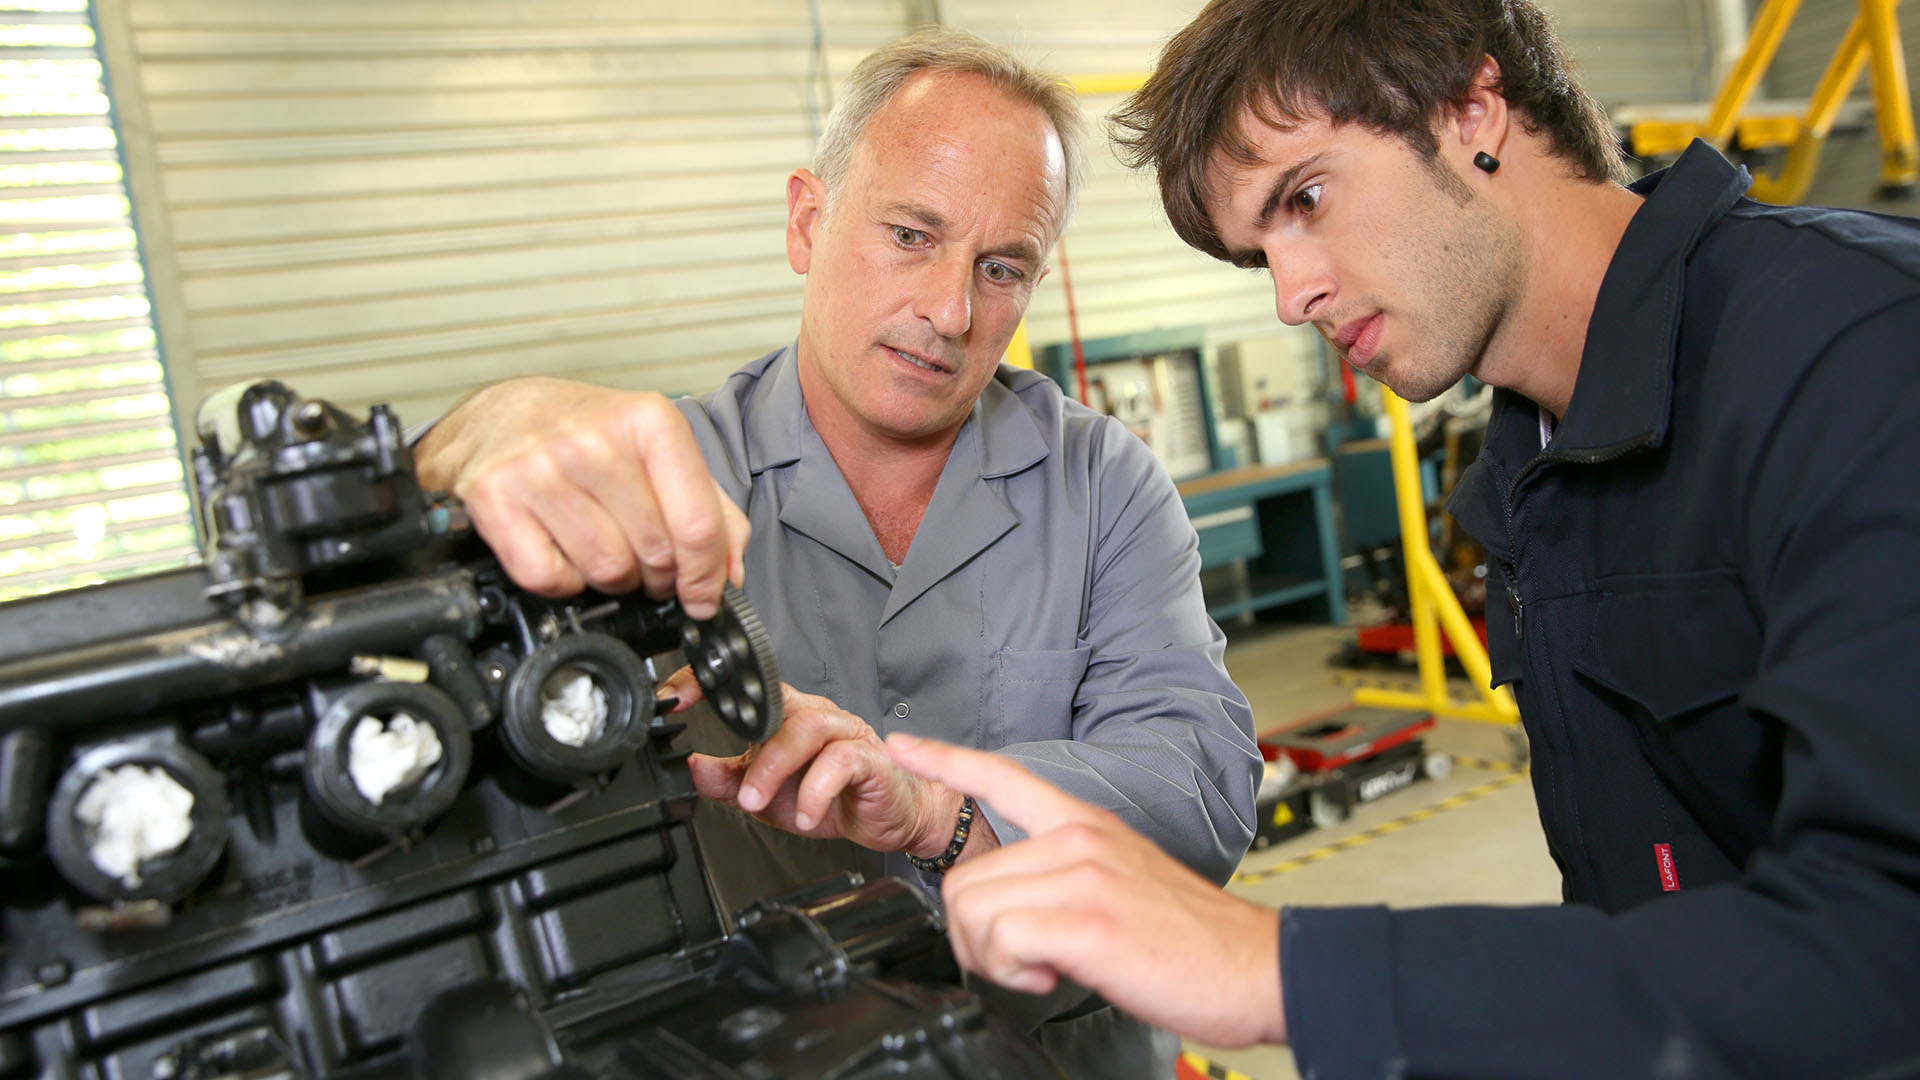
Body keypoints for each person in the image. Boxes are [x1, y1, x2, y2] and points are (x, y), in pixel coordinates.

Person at [882, 1, 1920, 1077]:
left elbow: (1888, 947)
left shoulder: (1863, 360)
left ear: (1475, 108)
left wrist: (1281, 970)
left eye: (1308, 198)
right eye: (1260, 254)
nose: (1295, 295)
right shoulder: (1535, 473)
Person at [415, 27, 1261, 1079]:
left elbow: (1203, 782)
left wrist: (942, 813)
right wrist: (482, 426)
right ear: (809, 222)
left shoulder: (1104, 484)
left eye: (1002, 269)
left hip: (1063, 1051)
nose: (950, 311)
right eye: (911, 234)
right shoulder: (667, 478)